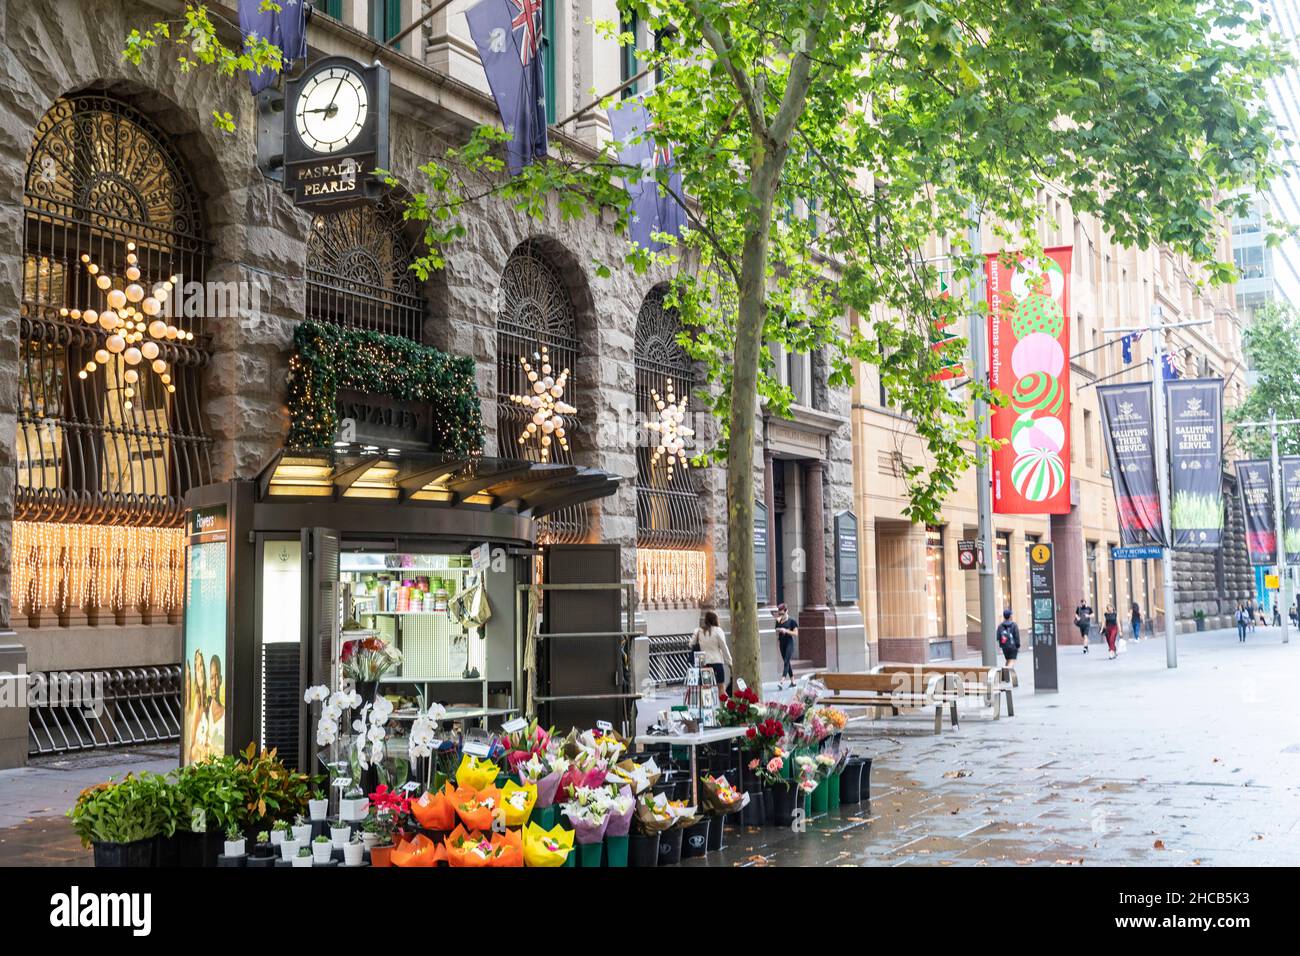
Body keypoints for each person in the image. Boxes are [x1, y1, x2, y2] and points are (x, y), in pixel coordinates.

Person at [691, 609, 732, 692]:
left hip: (705, 663)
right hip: (717, 662)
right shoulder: (718, 631)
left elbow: (691, 643)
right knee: (721, 686)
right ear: (715, 620)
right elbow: (724, 647)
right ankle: (722, 704)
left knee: (706, 687)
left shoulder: (698, 631)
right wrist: (730, 662)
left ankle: (706, 704)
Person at [773, 604, 798, 689]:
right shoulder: (778, 621)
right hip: (782, 643)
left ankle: (782, 681)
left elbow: (795, 633)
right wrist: (779, 629)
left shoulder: (792, 621)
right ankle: (793, 681)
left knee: (786, 661)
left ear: (787, 611)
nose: (781, 615)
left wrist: (786, 631)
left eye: (782, 614)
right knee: (787, 662)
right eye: (779, 614)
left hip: (789, 643)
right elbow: (776, 630)